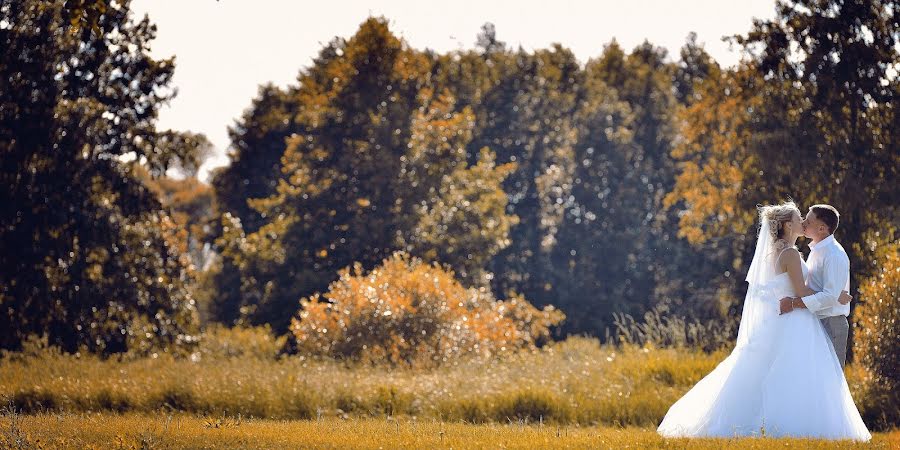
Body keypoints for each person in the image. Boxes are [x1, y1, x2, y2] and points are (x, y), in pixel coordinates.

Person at [657, 201, 870, 441]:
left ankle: (794, 424)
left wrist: (831, 298)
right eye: (800, 218)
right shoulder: (790, 253)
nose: (804, 221)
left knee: (796, 373)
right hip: (796, 318)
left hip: (798, 317)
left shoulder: (791, 251)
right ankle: (798, 424)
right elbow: (801, 291)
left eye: (806, 218)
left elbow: (802, 289)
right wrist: (833, 297)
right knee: (798, 373)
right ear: (788, 225)